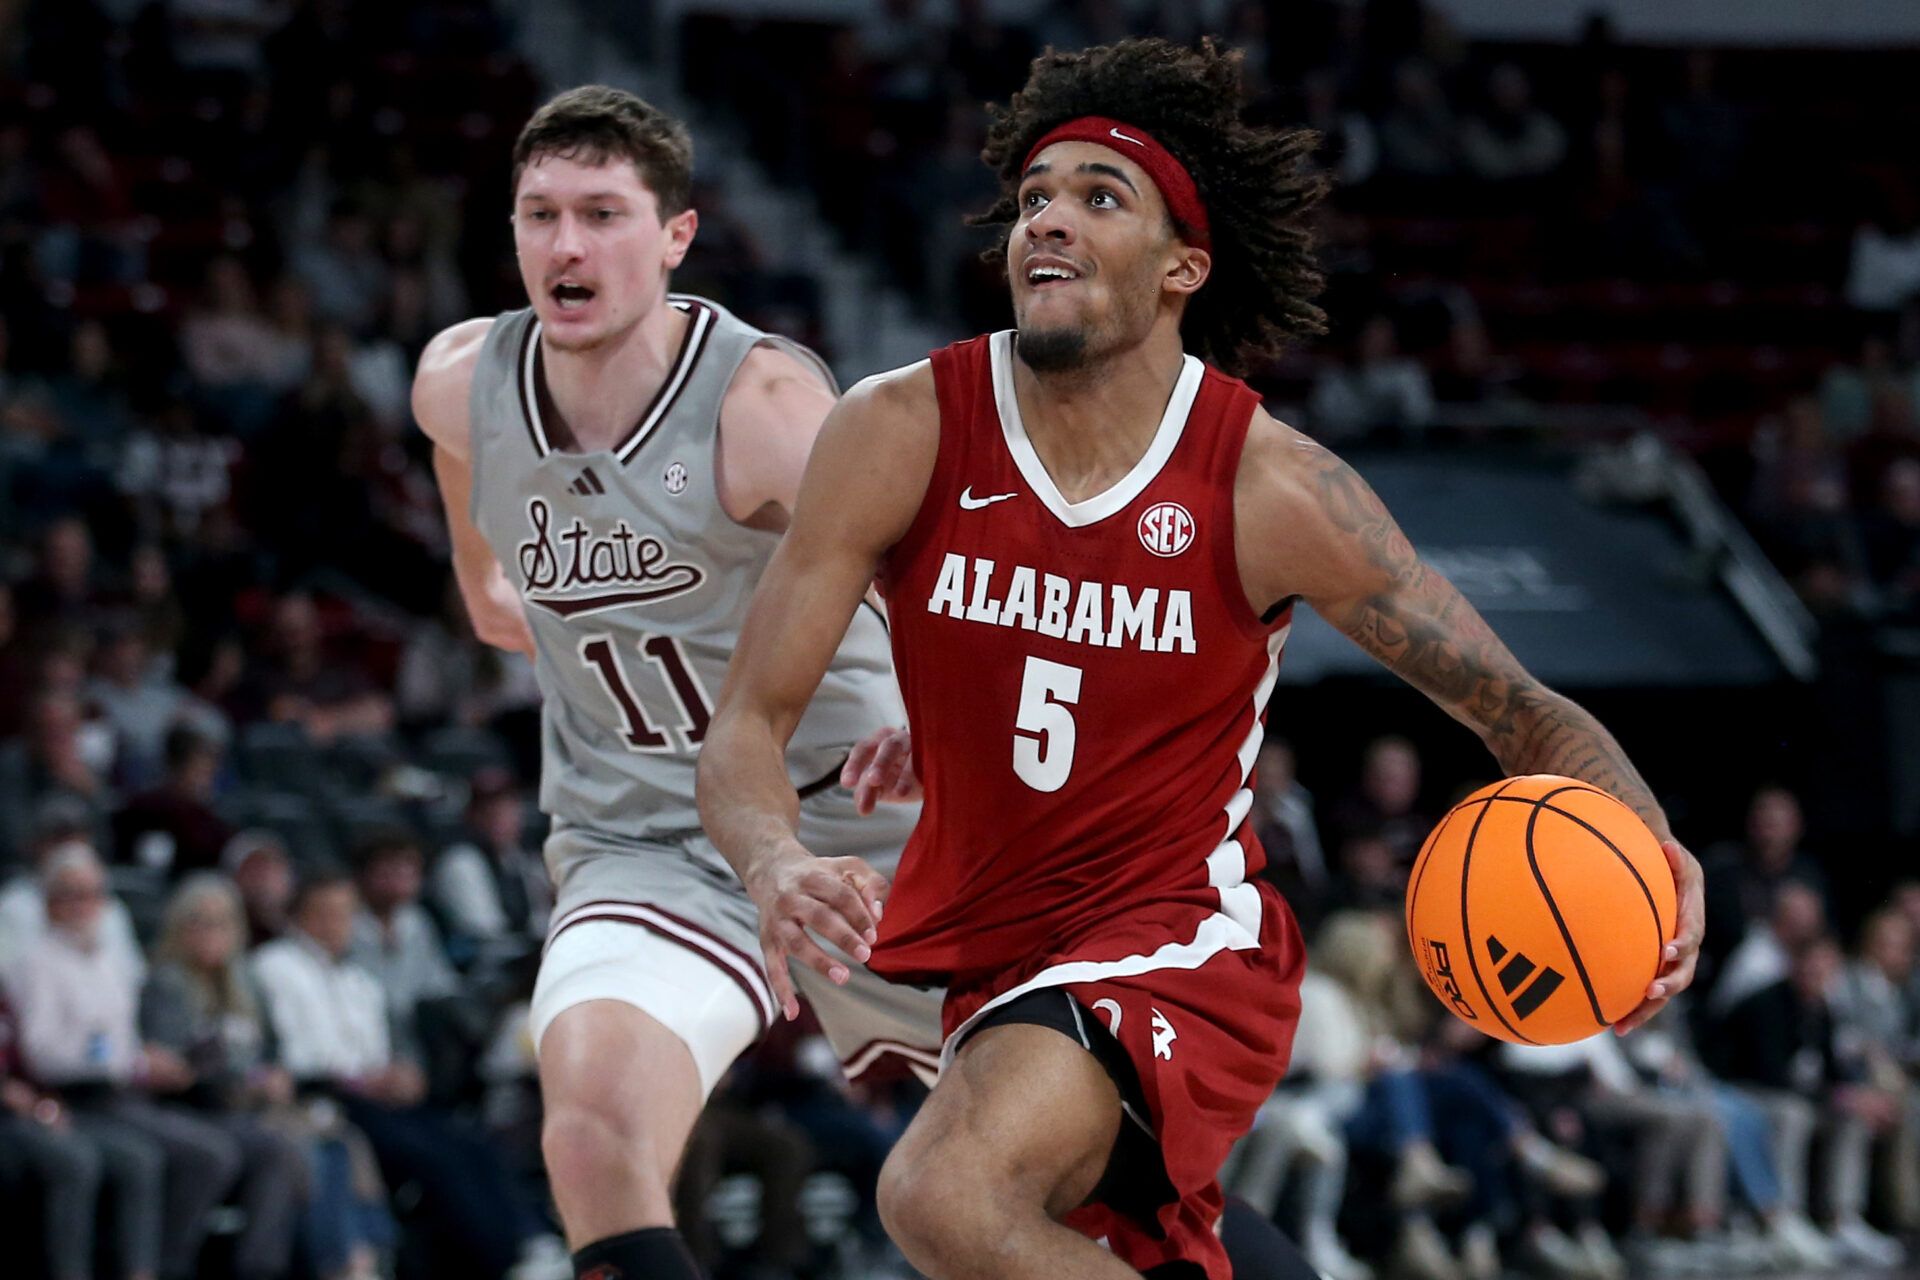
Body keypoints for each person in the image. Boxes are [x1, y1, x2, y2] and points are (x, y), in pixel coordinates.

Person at [697, 37, 1705, 1280]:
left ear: (1184, 265)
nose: (1048, 220)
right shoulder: (897, 429)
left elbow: (1523, 714)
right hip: (1000, 953)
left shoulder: (1273, 488)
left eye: (1098, 197)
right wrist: (774, 856)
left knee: (944, 1192)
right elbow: (744, 728)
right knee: (1133, 1245)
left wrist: (1652, 844)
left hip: (1182, 938)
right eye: (1035, 197)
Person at [408, 83, 940, 1280]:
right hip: (648, 832)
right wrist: (502, 594)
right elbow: (484, 574)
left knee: (1092, 1183)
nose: (567, 245)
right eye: (541, 214)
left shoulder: (763, 409)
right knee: (591, 1122)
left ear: (675, 237)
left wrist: (937, 715)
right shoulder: (460, 380)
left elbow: (943, 582)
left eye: (602, 214)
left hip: (859, 821)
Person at [141, 874, 311, 1280]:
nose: (211, 933)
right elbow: (175, 1065)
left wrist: (276, 1076)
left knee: (296, 1146)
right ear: (179, 927)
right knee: (255, 1148)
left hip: (240, 1109)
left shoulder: (244, 982)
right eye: (199, 922)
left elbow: (272, 1050)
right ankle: (174, 1265)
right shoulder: (167, 982)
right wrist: (242, 1080)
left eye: (221, 922)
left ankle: (262, 1266)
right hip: (189, 1109)